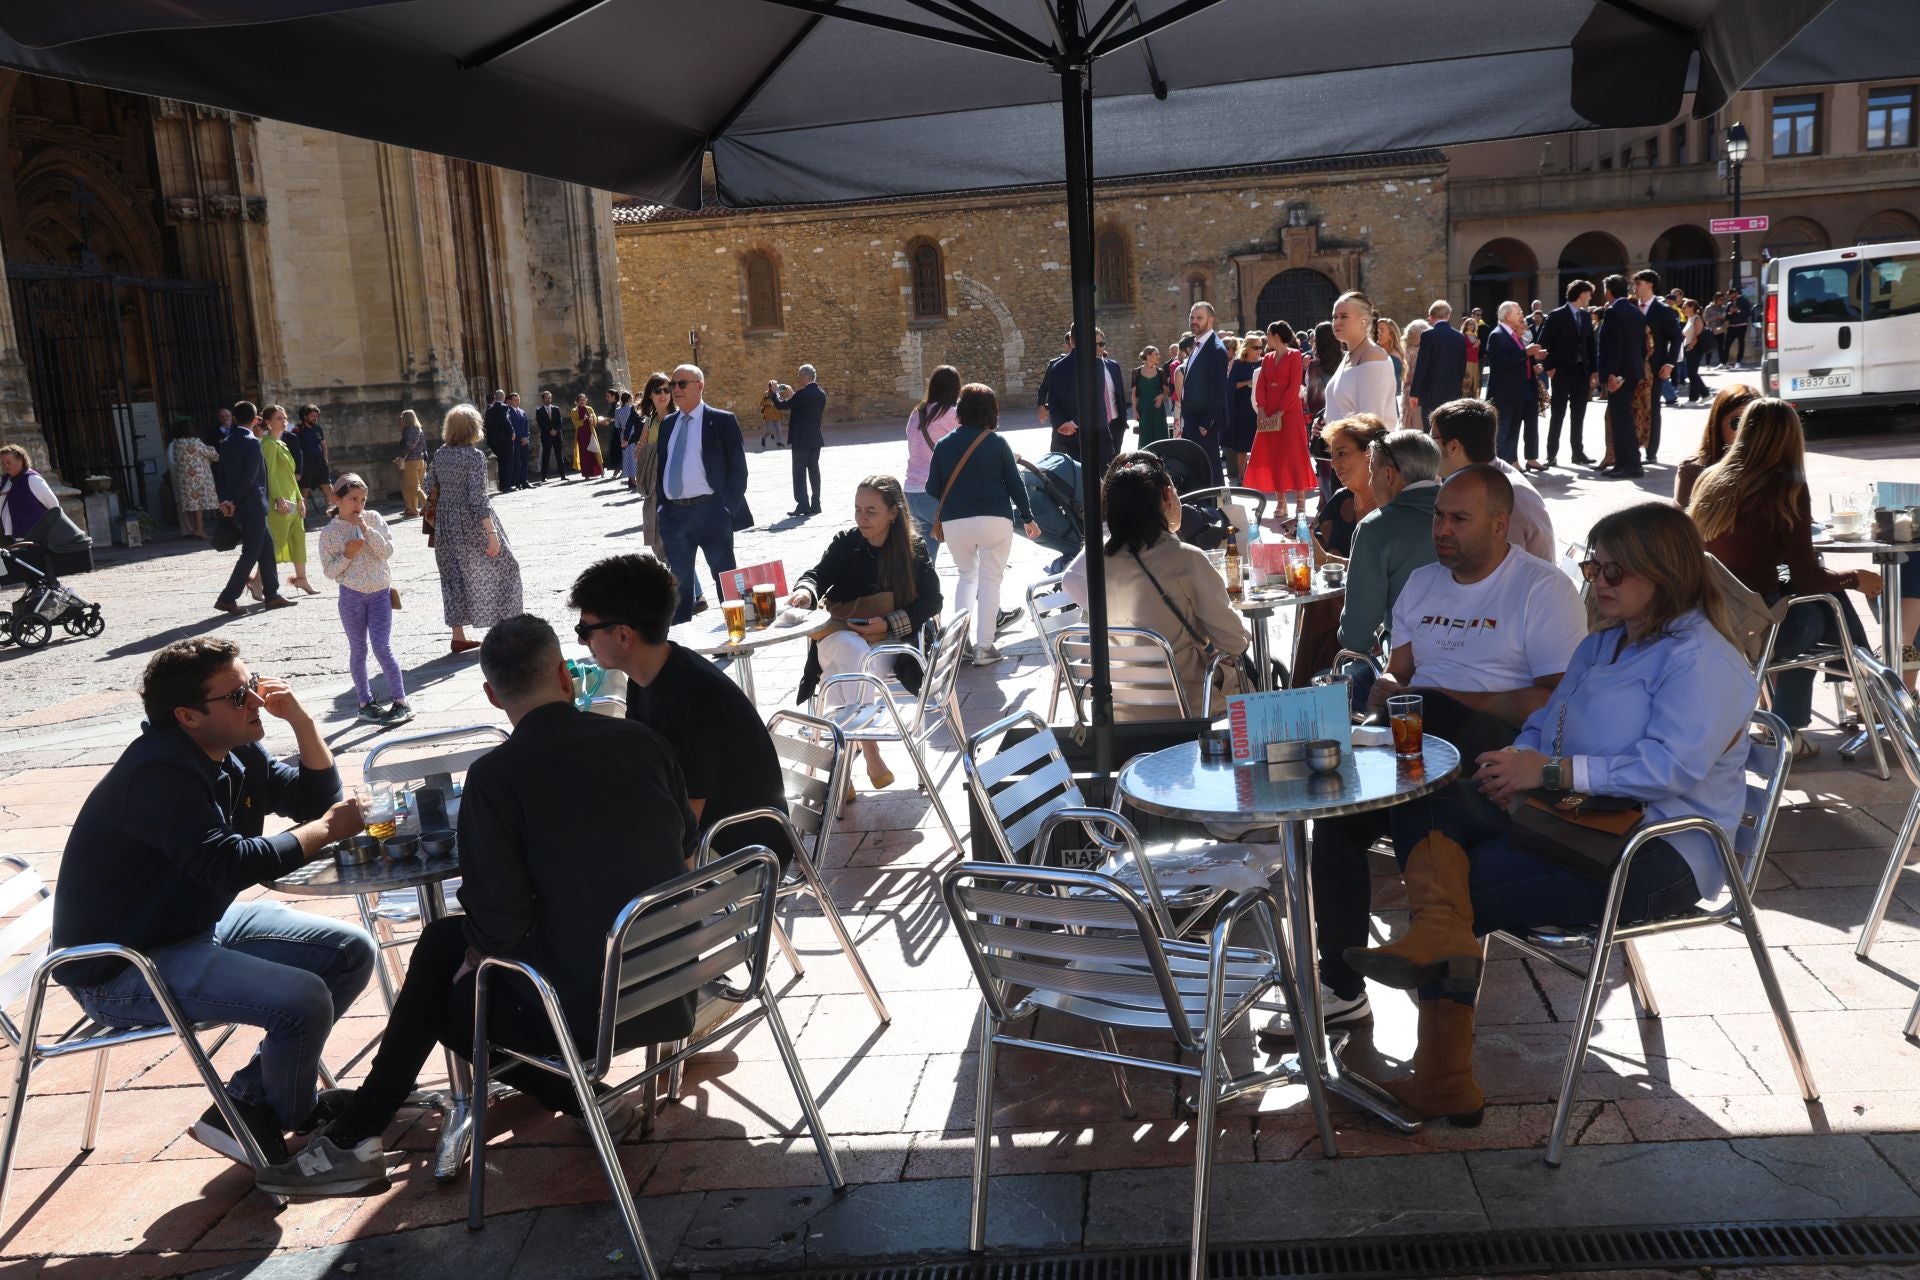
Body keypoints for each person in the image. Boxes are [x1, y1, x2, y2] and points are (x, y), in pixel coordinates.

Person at [1344, 502, 1758, 1122]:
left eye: (1615, 572)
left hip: (1658, 850)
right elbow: (1548, 719)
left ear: (1664, 572)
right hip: (1578, 816)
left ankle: (1442, 1072)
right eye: (1594, 567)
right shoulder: (1605, 644)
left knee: (1463, 891)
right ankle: (1434, 953)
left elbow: (1669, 769)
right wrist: (1519, 759)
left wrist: (1551, 773)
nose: (1598, 583)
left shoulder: (1701, 659)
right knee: (1430, 790)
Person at [259, 616, 699, 1195]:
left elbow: (499, 921)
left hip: (590, 1013)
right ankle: (367, 1130)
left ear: (492, 695)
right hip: (672, 983)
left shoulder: (496, 777)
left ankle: (358, 1136)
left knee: (444, 999)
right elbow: (684, 847)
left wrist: (477, 956)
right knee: (443, 944)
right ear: (565, 677)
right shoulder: (643, 741)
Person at [51, 638, 373, 1175]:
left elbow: (312, 801)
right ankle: (279, 1118)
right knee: (302, 1000)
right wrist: (325, 831)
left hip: (192, 926)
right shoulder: (158, 773)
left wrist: (301, 722)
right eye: (239, 695)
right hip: (123, 965)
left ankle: (247, 1104)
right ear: (188, 716)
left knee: (351, 952)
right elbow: (230, 864)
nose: (257, 701)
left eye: (253, 684)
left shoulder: (233, 748)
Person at [1688, 397, 1881, 758]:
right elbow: (1808, 579)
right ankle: (1866, 686)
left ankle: (1862, 686)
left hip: (1713, 621)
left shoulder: (1710, 480)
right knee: (1825, 603)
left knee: (1819, 601)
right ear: (1791, 437)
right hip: (1759, 629)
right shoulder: (1785, 487)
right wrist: (1856, 577)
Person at [570, 553, 788, 854]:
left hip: (741, 857)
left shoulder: (692, 699)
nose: (582, 642)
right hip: (715, 839)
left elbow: (682, 833)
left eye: (585, 630)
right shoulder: (650, 673)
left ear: (623, 636)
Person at [1061, 451, 1249, 718]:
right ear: (1167, 496)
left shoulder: (1094, 563)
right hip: (1188, 707)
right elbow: (1234, 641)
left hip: (1120, 712)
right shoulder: (1186, 559)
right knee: (1252, 679)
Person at [788, 475, 942, 793]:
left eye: (871, 511)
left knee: (839, 672)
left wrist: (888, 624)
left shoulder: (912, 549)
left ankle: (840, 768)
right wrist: (805, 591)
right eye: (858, 509)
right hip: (838, 635)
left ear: (893, 512)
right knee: (850, 649)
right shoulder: (848, 542)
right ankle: (871, 751)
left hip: (887, 648)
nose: (862, 518)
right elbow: (817, 575)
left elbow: (932, 601)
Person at [926, 383, 1041, 667]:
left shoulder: (944, 444)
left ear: (961, 410)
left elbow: (932, 488)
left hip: (956, 520)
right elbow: (1015, 484)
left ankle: (960, 642)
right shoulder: (997, 442)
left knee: (967, 576)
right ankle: (985, 647)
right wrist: (1027, 517)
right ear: (992, 411)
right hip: (995, 518)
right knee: (990, 582)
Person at [655, 364, 750, 625]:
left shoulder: (721, 421)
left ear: (700, 386)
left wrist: (726, 507)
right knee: (679, 584)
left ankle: (737, 631)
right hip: (674, 515)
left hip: (711, 511)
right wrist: (662, 507)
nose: (675, 390)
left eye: (681, 384)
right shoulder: (668, 424)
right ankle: (682, 640)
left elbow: (738, 469)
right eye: (671, 385)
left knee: (724, 576)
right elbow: (663, 466)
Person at [1338, 429, 1444, 657]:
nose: (1370, 481)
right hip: (1481, 652)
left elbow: (1356, 635)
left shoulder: (1375, 528)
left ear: (1388, 475)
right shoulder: (1468, 514)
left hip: (1408, 663)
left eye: (1372, 473)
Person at [429, 404, 524, 655]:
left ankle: (458, 636)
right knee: (507, 567)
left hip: (445, 522)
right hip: (471, 522)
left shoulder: (440, 453)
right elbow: (478, 499)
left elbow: (428, 484)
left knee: (453, 576)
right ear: (473, 428)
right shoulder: (474, 457)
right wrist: (492, 534)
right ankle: (506, 630)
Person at [319, 474, 410, 724]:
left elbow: (387, 552)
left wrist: (369, 532)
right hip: (351, 597)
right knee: (358, 649)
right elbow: (329, 571)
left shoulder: (374, 519)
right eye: (352, 499)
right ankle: (365, 703)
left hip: (380, 594)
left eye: (362, 499)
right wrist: (348, 554)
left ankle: (401, 701)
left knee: (382, 646)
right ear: (337, 499)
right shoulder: (329, 532)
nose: (358, 505)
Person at [1429, 398, 1555, 562]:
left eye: (1432, 438)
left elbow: (1504, 571)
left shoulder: (1504, 494)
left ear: (1453, 446)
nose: (1428, 447)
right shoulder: (1480, 479)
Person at [212, 403, 293, 616]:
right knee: (251, 552)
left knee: (266, 549)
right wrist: (233, 501)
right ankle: (227, 598)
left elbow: (221, 475)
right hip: (252, 505)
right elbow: (249, 478)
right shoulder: (252, 443)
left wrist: (226, 500)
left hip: (240, 504)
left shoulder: (227, 442)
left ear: (235, 419)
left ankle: (272, 594)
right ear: (256, 419)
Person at [1038, 325, 1124, 476]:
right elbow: (1095, 401)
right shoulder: (1095, 363)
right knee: (1100, 481)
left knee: (1078, 480)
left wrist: (1061, 423)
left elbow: (1053, 401)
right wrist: (1074, 422)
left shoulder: (1057, 366)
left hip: (1069, 437)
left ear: (1071, 339)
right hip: (1095, 436)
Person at [1246, 320, 1313, 509]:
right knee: (1273, 455)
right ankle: (1280, 502)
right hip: (1269, 411)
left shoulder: (1295, 355)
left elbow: (1294, 385)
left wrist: (1281, 410)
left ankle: (1300, 502)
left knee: (1295, 453)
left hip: (1290, 412)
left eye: (1268, 335)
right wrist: (1261, 410)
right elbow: (1261, 385)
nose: (1266, 339)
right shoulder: (1267, 358)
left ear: (1275, 336)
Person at [1309, 413, 1390, 561]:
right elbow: (1316, 547)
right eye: (1332, 455)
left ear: (1371, 453)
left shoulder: (1395, 506)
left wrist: (1326, 560)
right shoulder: (1340, 499)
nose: (1333, 464)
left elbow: (1383, 571)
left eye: (1341, 453)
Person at [903, 365, 961, 566]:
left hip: (911, 492)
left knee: (924, 561)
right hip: (936, 495)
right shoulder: (951, 414)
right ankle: (979, 585)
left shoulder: (917, 413)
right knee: (969, 549)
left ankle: (921, 586)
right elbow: (973, 440)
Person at [1536, 280, 1598, 467]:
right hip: (1561, 372)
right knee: (1558, 413)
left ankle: (1577, 453)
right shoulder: (1557, 315)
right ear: (1581, 294)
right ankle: (1551, 454)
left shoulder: (1585, 316)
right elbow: (1542, 342)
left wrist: (1594, 370)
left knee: (1578, 414)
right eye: (1589, 294)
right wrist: (1549, 367)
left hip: (1581, 372)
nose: (1590, 298)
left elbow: (1591, 345)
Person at [1674, 382, 1762, 508]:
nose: (1745, 431)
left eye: (1754, 423)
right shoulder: (1692, 471)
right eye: (1737, 422)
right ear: (1717, 424)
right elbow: (1684, 519)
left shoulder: (1776, 468)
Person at [1596, 274, 1649, 479]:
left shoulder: (1613, 311)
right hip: (1632, 372)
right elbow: (1643, 347)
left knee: (1621, 420)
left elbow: (1615, 345)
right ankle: (1622, 463)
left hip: (1619, 375)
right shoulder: (1636, 311)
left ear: (1608, 291)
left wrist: (1613, 374)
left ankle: (1631, 464)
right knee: (1621, 418)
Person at [261, 405, 317, 596]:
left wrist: (300, 498)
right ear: (268, 422)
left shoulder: (282, 443)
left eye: (284, 418)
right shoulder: (268, 444)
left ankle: (302, 578)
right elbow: (270, 475)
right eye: (279, 418)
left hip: (292, 497)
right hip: (280, 500)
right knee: (276, 541)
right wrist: (278, 498)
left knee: (298, 537)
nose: (284, 421)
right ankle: (257, 580)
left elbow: (290, 476)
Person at [1324, 291, 1401, 428]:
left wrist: (1334, 430)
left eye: (1344, 316)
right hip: (1340, 440)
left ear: (1363, 321)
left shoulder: (1372, 355)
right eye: (1334, 317)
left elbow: (1371, 423)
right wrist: (1323, 422)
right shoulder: (1349, 355)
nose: (1336, 322)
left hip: (1360, 442)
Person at [1484, 301, 1546, 470]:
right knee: (1503, 432)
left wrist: (1531, 361)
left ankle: (1511, 464)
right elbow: (1502, 362)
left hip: (1519, 391)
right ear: (1507, 316)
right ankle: (1500, 467)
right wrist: (1526, 352)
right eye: (1517, 312)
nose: (1521, 315)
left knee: (1513, 430)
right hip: (1504, 393)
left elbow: (1518, 359)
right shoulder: (1497, 335)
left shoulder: (1512, 335)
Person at [1634, 269, 1685, 463]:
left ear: (1649, 285)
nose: (1635, 288)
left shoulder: (1663, 310)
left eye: (1638, 284)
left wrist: (1670, 364)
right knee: (1635, 407)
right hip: (1633, 367)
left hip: (1656, 368)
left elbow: (1677, 337)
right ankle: (1634, 448)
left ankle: (1651, 451)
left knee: (1653, 407)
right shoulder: (1632, 307)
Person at [1179, 302, 1232, 484]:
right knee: (1197, 473)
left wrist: (1205, 423)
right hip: (1192, 421)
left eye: (1199, 318)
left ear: (1210, 320)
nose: (1194, 321)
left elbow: (1218, 390)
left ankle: (1219, 503)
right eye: (1192, 317)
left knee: (1211, 473)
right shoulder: (1197, 344)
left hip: (1204, 425)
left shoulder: (1216, 349)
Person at [772, 364, 827, 518]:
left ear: (805, 377)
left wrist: (774, 393)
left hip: (801, 439)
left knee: (799, 472)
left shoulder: (802, 395)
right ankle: (816, 504)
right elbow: (802, 405)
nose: (798, 379)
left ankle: (803, 504)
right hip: (815, 438)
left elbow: (780, 405)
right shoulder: (821, 394)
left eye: (799, 376)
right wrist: (793, 395)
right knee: (814, 471)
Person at [1406, 300, 1467, 432]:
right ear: (1448, 315)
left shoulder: (1428, 336)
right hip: (1453, 390)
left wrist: (1414, 393)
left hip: (1431, 392)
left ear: (1431, 316)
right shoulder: (1460, 337)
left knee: (1432, 429)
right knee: (1450, 429)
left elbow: (1422, 366)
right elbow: (1462, 367)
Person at [631, 373, 671, 557]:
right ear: (650, 395)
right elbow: (639, 450)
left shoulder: (678, 418)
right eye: (658, 390)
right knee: (660, 537)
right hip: (655, 484)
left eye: (667, 390)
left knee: (674, 542)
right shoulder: (650, 421)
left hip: (673, 486)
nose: (663, 394)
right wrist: (647, 451)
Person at [168, 419, 221, 539]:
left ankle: (193, 528)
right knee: (198, 505)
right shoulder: (195, 441)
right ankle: (199, 529)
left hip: (184, 479)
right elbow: (212, 454)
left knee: (191, 505)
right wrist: (212, 450)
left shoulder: (176, 444)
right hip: (197, 479)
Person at [1226, 331, 1263, 485]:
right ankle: (1242, 476)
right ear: (1247, 348)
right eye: (1256, 347)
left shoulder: (1263, 363)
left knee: (1259, 443)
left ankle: (1259, 475)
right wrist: (1248, 382)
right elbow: (1230, 385)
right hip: (1242, 408)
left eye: (1261, 347)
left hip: (1259, 408)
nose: (1259, 350)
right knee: (1242, 444)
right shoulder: (1238, 364)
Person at [292, 404, 331, 517]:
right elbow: (295, 448)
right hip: (306, 465)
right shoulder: (298, 430)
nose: (315, 418)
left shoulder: (318, 428)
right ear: (305, 416)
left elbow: (323, 444)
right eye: (312, 416)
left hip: (320, 463)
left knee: (328, 487)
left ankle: (332, 514)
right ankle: (302, 516)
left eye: (316, 416)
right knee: (305, 490)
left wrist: (325, 459)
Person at [394, 408, 430, 519]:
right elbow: (424, 447)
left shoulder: (408, 430)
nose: (400, 420)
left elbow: (408, 446)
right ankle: (413, 510)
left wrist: (401, 457)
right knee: (412, 486)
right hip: (421, 460)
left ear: (406, 418)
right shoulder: (419, 429)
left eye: (402, 418)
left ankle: (430, 506)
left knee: (414, 486)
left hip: (411, 461)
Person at [1133, 346, 1170, 447]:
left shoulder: (1161, 372)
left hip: (1158, 409)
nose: (1159, 356)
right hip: (1143, 408)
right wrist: (1134, 410)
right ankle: (1145, 455)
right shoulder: (1136, 372)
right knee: (1145, 434)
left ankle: (1162, 454)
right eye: (1156, 354)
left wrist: (1161, 396)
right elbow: (1134, 393)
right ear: (1148, 356)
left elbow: (1166, 390)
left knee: (1160, 433)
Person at [534, 390, 569, 483]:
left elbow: (560, 421)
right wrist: (549, 430)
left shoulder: (556, 409)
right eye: (546, 397)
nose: (549, 399)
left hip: (557, 435)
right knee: (546, 456)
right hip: (546, 435)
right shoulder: (539, 410)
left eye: (550, 397)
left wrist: (556, 430)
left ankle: (563, 475)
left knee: (559, 455)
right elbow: (540, 423)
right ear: (543, 399)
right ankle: (544, 477)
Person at [482, 390, 513, 493]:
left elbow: (486, 425)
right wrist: (512, 431)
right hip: (505, 440)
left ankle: (502, 486)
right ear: (503, 397)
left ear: (495, 397)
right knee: (507, 462)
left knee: (500, 462)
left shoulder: (489, 410)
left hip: (494, 441)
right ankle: (507, 486)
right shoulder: (504, 407)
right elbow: (506, 420)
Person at [1682, 299, 1712, 403]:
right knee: (1692, 373)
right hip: (1688, 348)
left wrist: (1691, 346)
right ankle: (1706, 394)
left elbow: (1696, 335)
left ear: (1692, 308)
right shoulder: (1689, 319)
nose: (1683, 309)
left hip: (1694, 349)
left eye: (1685, 307)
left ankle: (1693, 399)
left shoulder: (1697, 319)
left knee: (1692, 374)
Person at [504, 392, 532, 491]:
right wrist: (520, 438)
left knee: (525, 462)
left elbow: (526, 426)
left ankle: (524, 481)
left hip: (525, 441)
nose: (517, 402)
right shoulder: (508, 412)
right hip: (515, 442)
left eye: (518, 400)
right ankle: (517, 483)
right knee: (516, 463)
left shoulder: (522, 412)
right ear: (511, 401)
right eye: (515, 400)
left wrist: (526, 437)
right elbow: (512, 428)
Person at [573, 392, 604, 479]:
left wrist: (591, 420)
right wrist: (583, 419)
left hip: (590, 434)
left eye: (584, 400)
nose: (582, 401)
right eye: (580, 400)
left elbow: (595, 421)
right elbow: (576, 423)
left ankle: (601, 470)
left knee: (595, 452)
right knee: (584, 454)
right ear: (577, 401)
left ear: (586, 400)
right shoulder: (574, 411)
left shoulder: (590, 409)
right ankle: (586, 473)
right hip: (581, 435)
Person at [1374, 316, 1406, 390]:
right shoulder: (1380, 352)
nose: (1378, 333)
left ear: (1391, 335)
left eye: (1382, 330)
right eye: (1377, 330)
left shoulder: (1393, 358)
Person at [1724, 291, 1751, 367]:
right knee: (1726, 344)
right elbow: (1726, 317)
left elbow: (1748, 313)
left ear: (1736, 294)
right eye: (1730, 296)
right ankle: (1725, 362)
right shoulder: (1729, 304)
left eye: (1733, 295)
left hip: (1742, 325)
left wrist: (1738, 311)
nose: (1732, 297)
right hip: (1731, 326)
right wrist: (1730, 313)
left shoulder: (1744, 301)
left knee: (1741, 344)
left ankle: (1738, 362)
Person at [759, 383, 787, 450]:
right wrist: (768, 403)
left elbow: (779, 401)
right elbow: (761, 403)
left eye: (776, 386)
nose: (775, 387)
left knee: (778, 429)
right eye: (773, 386)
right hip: (769, 414)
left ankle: (779, 442)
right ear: (770, 387)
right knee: (770, 430)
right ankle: (763, 438)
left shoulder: (777, 393)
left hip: (777, 413)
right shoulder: (766, 393)